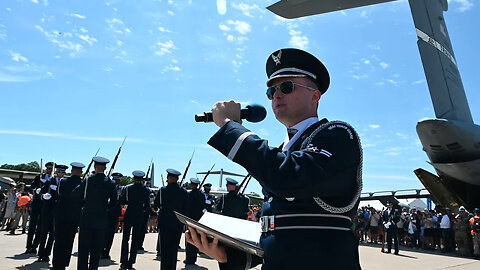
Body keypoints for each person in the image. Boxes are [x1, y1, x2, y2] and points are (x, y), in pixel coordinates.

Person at [186, 48, 363, 270]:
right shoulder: (284, 152)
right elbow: (279, 235)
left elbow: (288, 178)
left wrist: (232, 128)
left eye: (287, 87)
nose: (276, 94)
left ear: (315, 96)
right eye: (271, 90)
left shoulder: (337, 134)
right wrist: (226, 255)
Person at [72, 156, 117, 270]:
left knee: (83, 249)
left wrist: (84, 203)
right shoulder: (111, 183)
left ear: (94, 167)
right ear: (105, 168)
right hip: (101, 220)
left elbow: (75, 195)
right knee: (96, 250)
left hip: (87, 218)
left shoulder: (88, 180)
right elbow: (114, 202)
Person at [52, 162, 85, 270]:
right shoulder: (83, 183)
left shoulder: (63, 181)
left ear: (71, 171)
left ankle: (57, 264)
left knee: (59, 240)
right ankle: (65, 262)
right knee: (69, 241)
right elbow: (83, 200)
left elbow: (58, 194)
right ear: (81, 172)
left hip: (61, 215)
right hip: (74, 216)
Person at [153, 168, 188, 270]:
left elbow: (156, 205)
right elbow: (186, 208)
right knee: (174, 250)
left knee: (164, 250)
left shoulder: (163, 190)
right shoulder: (183, 192)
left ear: (168, 178)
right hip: (177, 224)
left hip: (164, 223)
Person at [119, 170, 150, 270]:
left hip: (129, 214)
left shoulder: (127, 188)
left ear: (134, 178)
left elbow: (122, 201)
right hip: (139, 215)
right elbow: (147, 206)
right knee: (135, 240)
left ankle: (124, 262)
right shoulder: (146, 190)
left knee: (125, 239)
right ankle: (131, 262)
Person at [37, 164, 68, 262]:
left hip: (58, 212)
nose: (62, 174)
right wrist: (43, 196)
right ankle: (41, 253)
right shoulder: (50, 181)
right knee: (44, 232)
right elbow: (41, 193)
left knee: (53, 235)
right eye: (60, 172)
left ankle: (47, 254)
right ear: (57, 172)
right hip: (47, 210)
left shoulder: (65, 183)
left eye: (63, 172)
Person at [26, 162, 54, 254]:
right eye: (49, 169)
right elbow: (30, 188)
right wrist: (35, 190)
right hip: (36, 204)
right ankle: (29, 246)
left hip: (45, 206)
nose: (50, 170)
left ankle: (35, 246)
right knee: (32, 226)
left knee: (41, 228)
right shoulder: (39, 177)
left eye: (51, 169)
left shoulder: (53, 179)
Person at [184, 178, 206, 265]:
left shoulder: (188, 194)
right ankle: (193, 258)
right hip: (198, 219)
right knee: (196, 238)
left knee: (189, 238)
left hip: (189, 218)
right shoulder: (201, 195)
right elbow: (203, 206)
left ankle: (189, 259)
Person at [102, 172, 124, 260]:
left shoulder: (122, 189)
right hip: (106, 212)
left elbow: (122, 200)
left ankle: (106, 251)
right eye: (116, 179)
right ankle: (101, 250)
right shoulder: (107, 186)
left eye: (118, 180)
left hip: (114, 213)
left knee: (111, 234)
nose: (117, 181)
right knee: (103, 232)